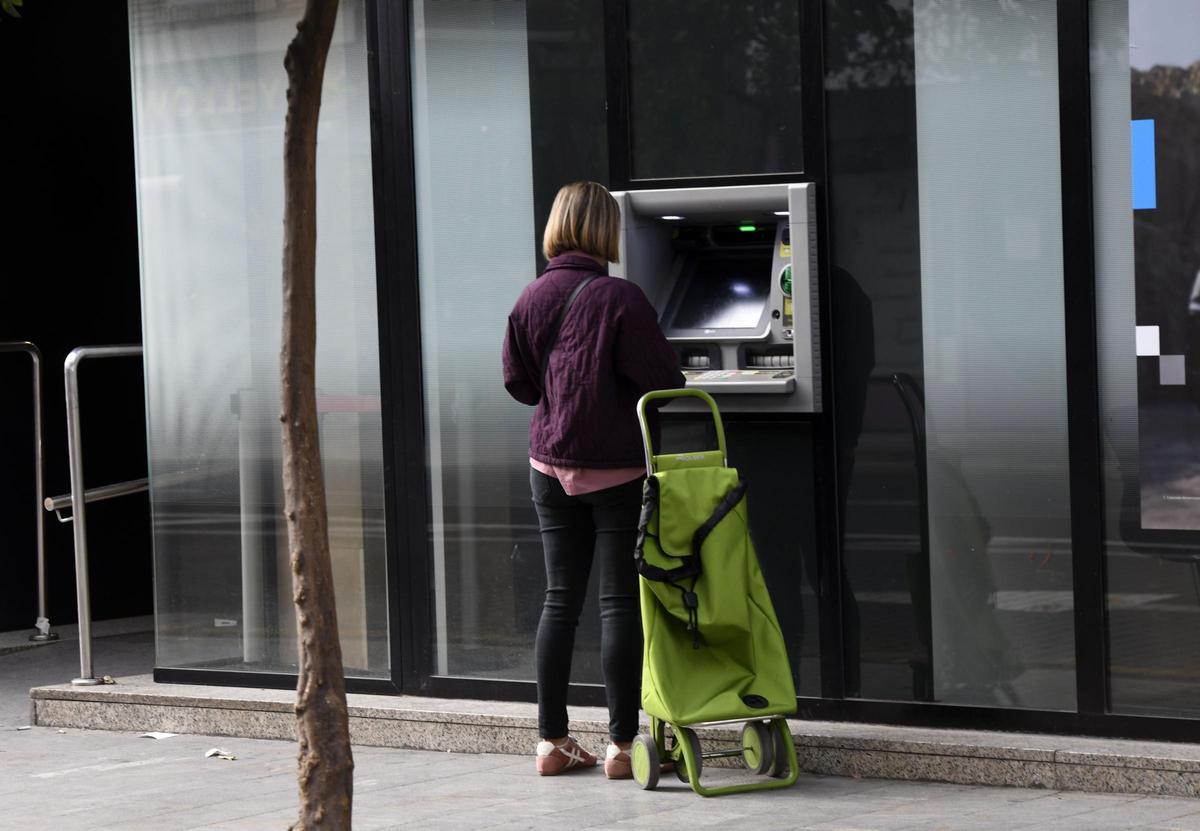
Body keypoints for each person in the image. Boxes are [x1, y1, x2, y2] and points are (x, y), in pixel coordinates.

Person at [502, 182, 684, 778]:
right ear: (607, 231)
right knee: (617, 605)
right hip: (616, 470)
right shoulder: (622, 299)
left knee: (559, 600)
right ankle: (623, 747)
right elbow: (664, 379)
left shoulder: (531, 297)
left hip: (548, 466)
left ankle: (551, 742)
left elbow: (521, 384)